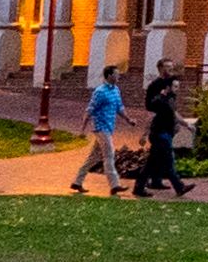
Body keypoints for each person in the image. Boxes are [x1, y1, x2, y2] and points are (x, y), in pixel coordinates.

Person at [131, 60, 192, 198]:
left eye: (172, 66)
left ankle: (144, 185)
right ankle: (179, 186)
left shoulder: (171, 85)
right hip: (159, 130)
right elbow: (150, 108)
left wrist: (183, 124)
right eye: (167, 67)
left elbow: (172, 111)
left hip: (167, 129)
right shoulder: (156, 86)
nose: (171, 69)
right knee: (168, 159)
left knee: (153, 161)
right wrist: (145, 133)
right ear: (160, 68)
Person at [71, 65, 126, 194]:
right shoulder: (100, 92)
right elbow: (89, 110)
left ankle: (77, 182)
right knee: (109, 154)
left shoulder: (116, 90)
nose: (119, 76)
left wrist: (129, 120)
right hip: (100, 128)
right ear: (109, 75)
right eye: (116, 74)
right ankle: (114, 185)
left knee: (94, 157)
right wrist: (82, 129)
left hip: (109, 127)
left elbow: (120, 108)